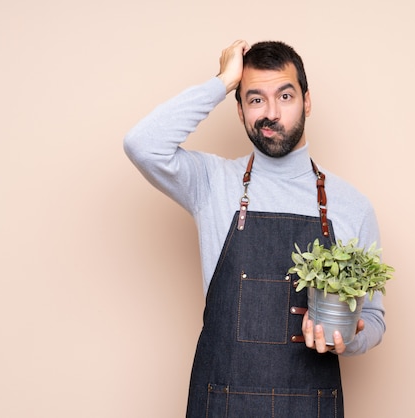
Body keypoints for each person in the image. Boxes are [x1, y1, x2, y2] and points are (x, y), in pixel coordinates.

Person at [124, 39, 386, 417]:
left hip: (310, 407)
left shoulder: (351, 206)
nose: (271, 113)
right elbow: (142, 144)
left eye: (285, 96)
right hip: (223, 404)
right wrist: (222, 80)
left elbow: (374, 320)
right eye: (255, 99)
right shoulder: (213, 184)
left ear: (307, 101)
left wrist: (350, 334)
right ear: (240, 110)